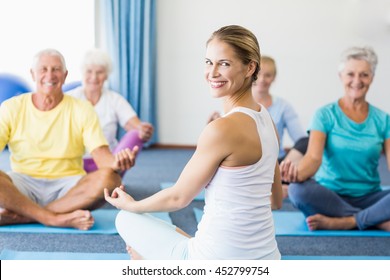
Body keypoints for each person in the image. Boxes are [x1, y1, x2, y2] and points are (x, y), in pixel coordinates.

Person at [105, 25, 283, 260]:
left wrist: (130, 205)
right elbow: (277, 201)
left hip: (213, 262)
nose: (213, 72)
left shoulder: (221, 129)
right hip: (269, 259)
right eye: (209, 62)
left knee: (127, 220)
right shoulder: (266, 119)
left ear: (250, 67)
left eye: (224, 64)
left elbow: (179, 197)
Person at [0, 49, 138, 230]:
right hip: (23, 183)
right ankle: (54, 218)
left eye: (56, 69)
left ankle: (27, 216)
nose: (50, 75)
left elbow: (102, 157)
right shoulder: (11, 107)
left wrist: (118, 162)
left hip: (68, 186)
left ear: (65, 76)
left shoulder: (82, 109)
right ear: (33, 74)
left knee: (111, 180)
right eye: (44, 69)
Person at [280, 46, 390, 231]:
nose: (357, 81)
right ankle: (374, 220)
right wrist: (295, 175)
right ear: (341, 77)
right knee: (297, 190)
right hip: (329, 195)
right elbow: (313, 159)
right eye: (350, 74)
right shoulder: (324, 115)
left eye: (364, 75)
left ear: (371, 78)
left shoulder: (383, 120)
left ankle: (348, 221)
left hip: (369, 197)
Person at [67, 49, 154, 174]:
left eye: (99, 72)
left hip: (109, 163)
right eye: (89, 71)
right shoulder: (70, 98)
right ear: (82, 73)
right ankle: (103, 182)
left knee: (136, 133)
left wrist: (142, 129)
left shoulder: (114, 99)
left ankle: (108, 177)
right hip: (76, 163)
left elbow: (132, 123)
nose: (94, 77)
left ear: (106, 75)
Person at [208, 55, 308, 163]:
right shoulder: (236, 103)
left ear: (274, 77)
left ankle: (282, 170)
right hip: (246, 161)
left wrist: (286, 164)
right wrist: (213, 127)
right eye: (259, 74)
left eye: (268, 75)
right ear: (251, 74)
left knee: (306, 142)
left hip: (276, 161)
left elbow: (302, 141)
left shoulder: (283, 106)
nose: (262, 80)